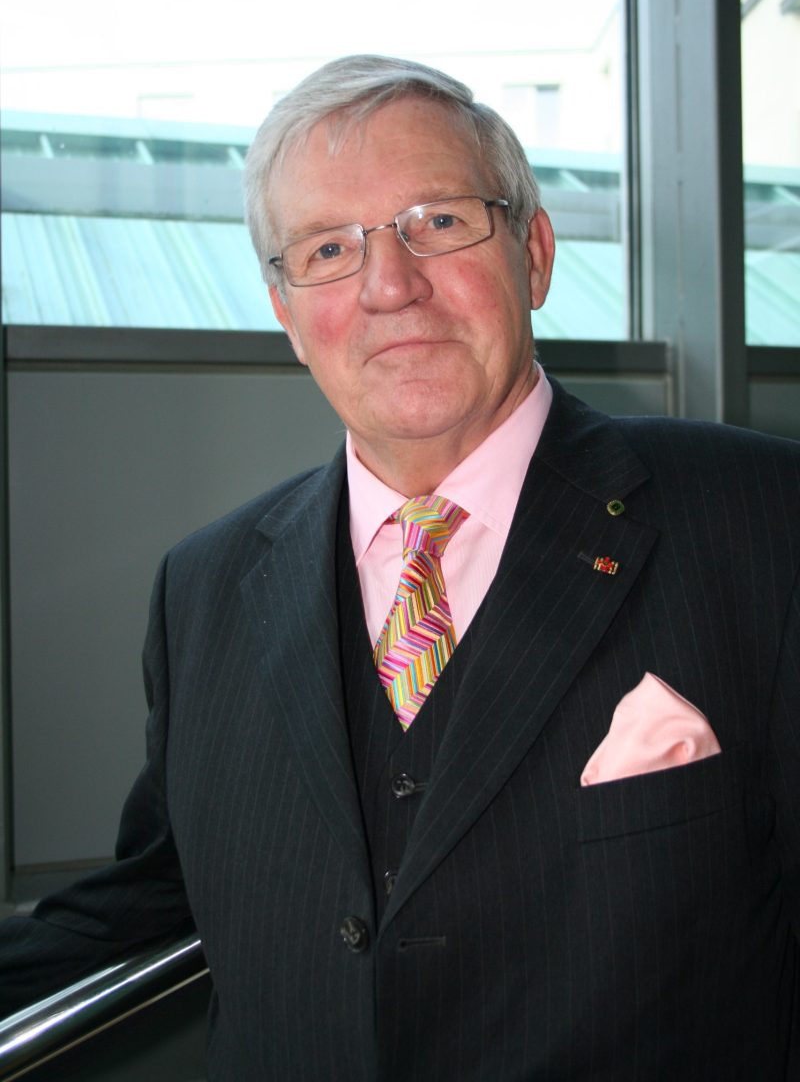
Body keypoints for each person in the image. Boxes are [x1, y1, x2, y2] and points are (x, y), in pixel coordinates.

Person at [0, 54, 799, 1081]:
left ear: (534, 254)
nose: (389, 286)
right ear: (287, 314)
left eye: (439, 221)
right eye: (329, 249)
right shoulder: (202, 590)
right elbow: (152, 899)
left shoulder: (762, 520)